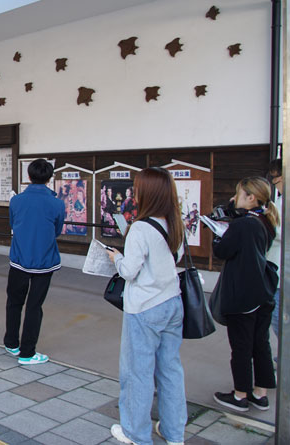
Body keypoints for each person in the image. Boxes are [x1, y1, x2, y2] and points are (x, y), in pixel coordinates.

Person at [105, 168, 187, 445]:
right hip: (173, 302)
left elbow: (129, 271)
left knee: (137, 372)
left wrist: (116, 257)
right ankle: (175, 434)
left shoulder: (140, 227)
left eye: (137, 188)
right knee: (170, 370)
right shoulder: (175, 223)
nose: (134, 192)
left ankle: (135, 433)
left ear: (147, 192)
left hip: (145, 308)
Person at [212, 176, 278, 413]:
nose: (233, 198)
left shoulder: (242, 225)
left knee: (241, 346)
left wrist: (220, 229)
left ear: (250, 197)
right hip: (263, 292)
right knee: (261, 343)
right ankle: (260, 393)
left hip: (242, 294)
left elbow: (222, 250)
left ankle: (240, 395)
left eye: (238, 194)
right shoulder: (265, 221)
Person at [4, 159, 63, 365]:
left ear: (28, 176)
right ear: (49, 178)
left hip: (19, 258)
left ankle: (11, 343)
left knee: (14, 301)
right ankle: (28, 353)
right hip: (45, 261)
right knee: (34, 306)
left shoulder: (16, 201)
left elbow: (13, 224)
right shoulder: (57, 203)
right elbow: (57, 230)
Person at [267, 159, 283, 338]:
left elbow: (282, 232)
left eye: (276, 180)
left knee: (279, 318)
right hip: (276, 268)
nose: (275, 185)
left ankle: (288, 363)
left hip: (282, 270)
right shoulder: (280, 199)